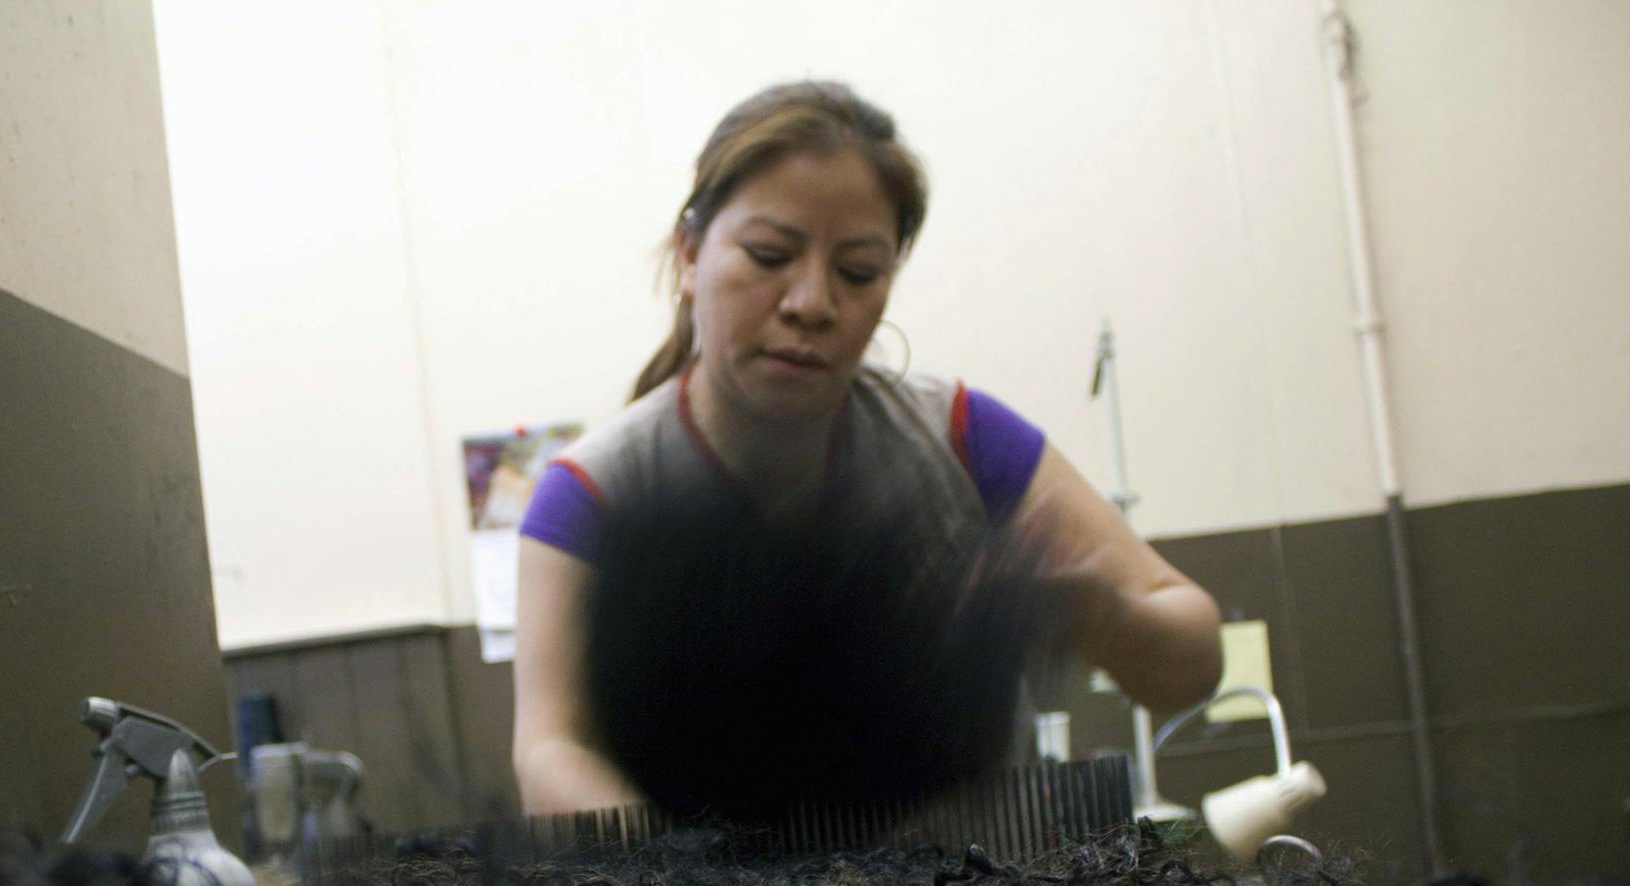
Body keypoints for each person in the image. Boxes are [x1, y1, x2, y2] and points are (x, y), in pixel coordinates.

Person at [512, 81, 1223, 816]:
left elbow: (1192, 662)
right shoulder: (596, 492)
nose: (812, 303)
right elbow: (549, 752)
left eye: (857, 272)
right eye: (769, 255)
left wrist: (1095, 610)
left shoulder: (958, 440)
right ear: (690, 255)